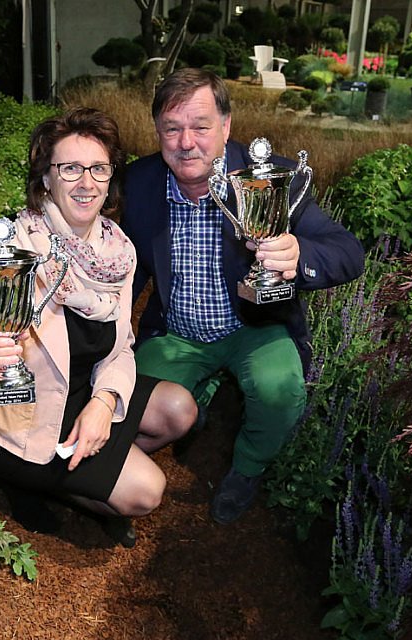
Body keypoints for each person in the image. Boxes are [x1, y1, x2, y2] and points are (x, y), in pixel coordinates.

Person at [121, 68, 365, 525]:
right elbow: (124, 269)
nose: (186, 142)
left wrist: (299, 255)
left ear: (227, 126)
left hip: (255, 326)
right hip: (177, 333)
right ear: (157, 132)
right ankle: (199, 395)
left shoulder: (272, 177)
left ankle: (248, 467)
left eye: (201, 126)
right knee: (128, 401)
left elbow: (348, 252)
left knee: (279, 392)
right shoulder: (139, 183)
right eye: (172, 129)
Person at [0, 107, 197, 546]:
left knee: (179, 409)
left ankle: (94, 471)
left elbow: (121, 347)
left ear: (110, 179)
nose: (86, 183)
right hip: (24, 420)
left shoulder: (117, 252)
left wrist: (104, 405)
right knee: (148, 491)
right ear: (45, 178)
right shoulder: (9, 254)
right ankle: (37, 484)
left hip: (84, 395)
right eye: (69, 168)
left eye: (98, 168)